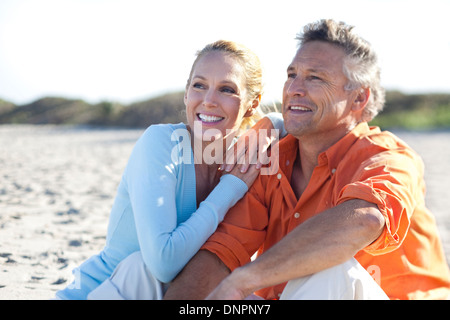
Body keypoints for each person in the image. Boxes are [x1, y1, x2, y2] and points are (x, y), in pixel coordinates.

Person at [163, 19, 450, 300]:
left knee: (333, 269)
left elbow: (365, 220)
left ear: (359, 99)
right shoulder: (271, 159)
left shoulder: (388, 158)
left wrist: (244, 279)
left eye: (315, 77)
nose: (294, 89)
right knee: (148, 272)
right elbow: (221, 254)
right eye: (291, 75)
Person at [54, 40, 284, 300]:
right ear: (187, 93)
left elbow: (298, 129)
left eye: (226, 89)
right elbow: (163, 264)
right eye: (199, 85)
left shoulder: (248, 153)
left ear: (252, 104)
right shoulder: (160, 142)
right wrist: (229, 188)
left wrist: (272, 123)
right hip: (108, 292)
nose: (208, 100)